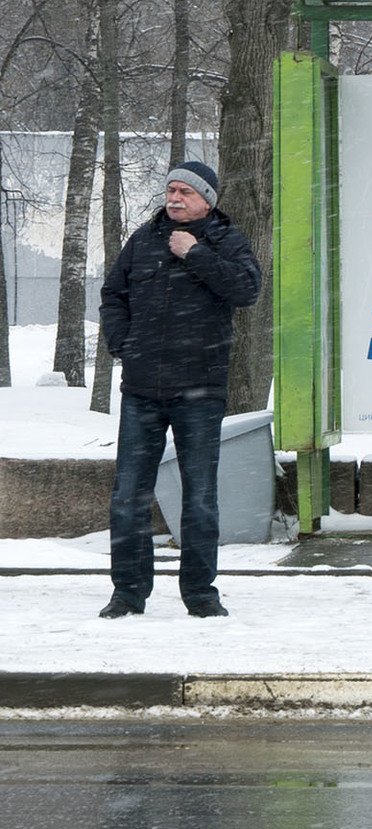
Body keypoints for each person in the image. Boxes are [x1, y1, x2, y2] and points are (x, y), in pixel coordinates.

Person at [97, 162, 261, 619]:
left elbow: (247, 289)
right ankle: (127, 594)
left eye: (185, 191)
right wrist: (122, 343)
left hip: (200, 389)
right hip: (142, 388)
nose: (174, 198)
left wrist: (195, 253)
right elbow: (114, 294)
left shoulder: (225, 240)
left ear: (206, 200)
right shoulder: (143, 240)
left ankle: (201, 594)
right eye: (170, 189)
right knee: (128, 496)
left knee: (200, 495)